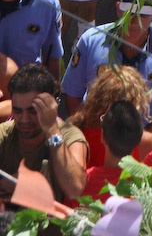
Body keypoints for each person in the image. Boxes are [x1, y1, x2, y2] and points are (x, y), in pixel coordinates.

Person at [61, 0, 152, 138]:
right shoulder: (90, 41)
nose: (134, 21)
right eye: (129, 13)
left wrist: (137, 144)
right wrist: (87, 135)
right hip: (93, 133)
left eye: (143, 16)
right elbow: (73, 94)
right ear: (118, 9)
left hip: (141, 140)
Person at [0, 64, 87, 205]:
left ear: (50, 106)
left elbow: (75, 189)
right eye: (18, 111)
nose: (24, 119)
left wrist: (52, 130)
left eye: (33, 111)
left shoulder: (70, 136)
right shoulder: (4, 134)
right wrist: (5, 183)